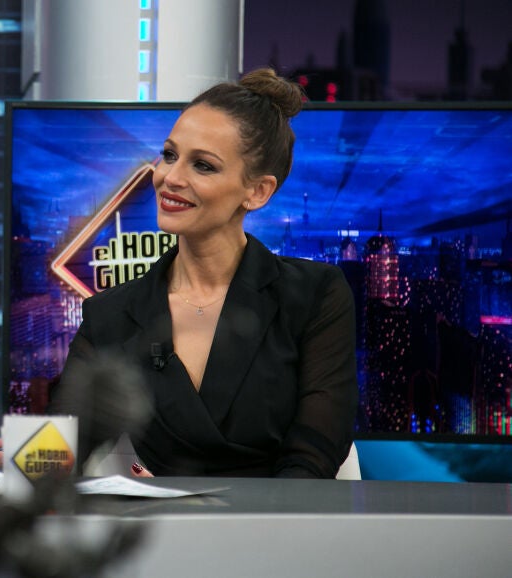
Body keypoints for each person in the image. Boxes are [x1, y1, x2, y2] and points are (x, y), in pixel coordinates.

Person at [56, 68, 357, 478]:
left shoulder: (315, 296)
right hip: (155, 517)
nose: (169, 178)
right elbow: (64, 441)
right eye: (169, 155)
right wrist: (10, 461)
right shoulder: (109, 314)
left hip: (278, 514)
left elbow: (315, 452)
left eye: (202, 165)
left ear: (258, 191)